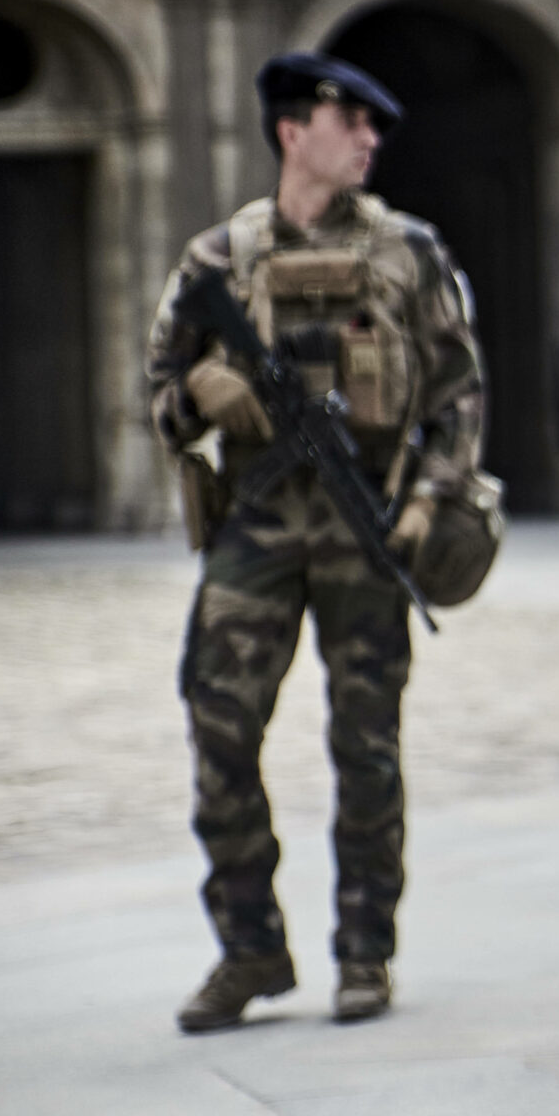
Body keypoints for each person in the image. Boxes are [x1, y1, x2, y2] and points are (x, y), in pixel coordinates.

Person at [145, 52, 486, 1030]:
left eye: (377, 127)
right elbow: (157, 397)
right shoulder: (218, 259)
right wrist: (201, 395)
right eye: (353, 121)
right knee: (219, 730)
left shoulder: (408, 251)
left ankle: (364, 951)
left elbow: (460, 393)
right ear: (294, 131)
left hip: (366, 525)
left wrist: (431, 497)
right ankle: (249, 950)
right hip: (253, 524)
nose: (372, 140)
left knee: (366, 745)